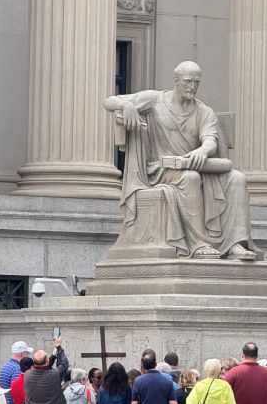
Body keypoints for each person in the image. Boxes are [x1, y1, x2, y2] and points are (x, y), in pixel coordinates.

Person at [104, 60, 256, 260]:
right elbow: (109, 101)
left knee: (237, 178)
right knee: (190, 179)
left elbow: (210, 139)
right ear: (176, 80)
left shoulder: (204, 111)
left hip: (194, 165)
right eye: (187, 81)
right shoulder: (155, 100)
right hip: (159, 169)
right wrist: (127, 105)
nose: (192, 86)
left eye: (196, 82)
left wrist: (202, 151)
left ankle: (235, 243)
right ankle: (198, 243)